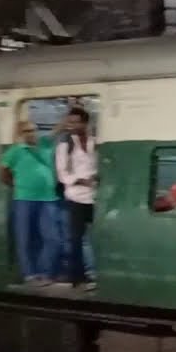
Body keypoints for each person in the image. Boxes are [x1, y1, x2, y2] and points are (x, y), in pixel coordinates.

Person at [0, 121, 61, 286]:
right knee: (25, 239)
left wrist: (73, 110)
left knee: (52, 238)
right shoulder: (15, 151)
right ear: (21, 134)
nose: (32, 134)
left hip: (48, 199)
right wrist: (17, 185)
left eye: (34, 130)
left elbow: (57, 129)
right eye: (27, 131)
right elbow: (3, 173)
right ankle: (30, 275)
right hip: (24, 200)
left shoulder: (45, 145)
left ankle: (44, 272)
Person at [55, 107, 97, 291]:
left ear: (85, 123)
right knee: (76, 239)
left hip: (95, 197)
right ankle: (78, 278)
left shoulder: (95, 142)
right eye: (70, 122)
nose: (72, 125)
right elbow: (62, 173)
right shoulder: (65, 145)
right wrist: (80, 180)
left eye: (76, 122)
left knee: (93, 238)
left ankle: (93, 274)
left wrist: (96, 178)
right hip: (76, 197)